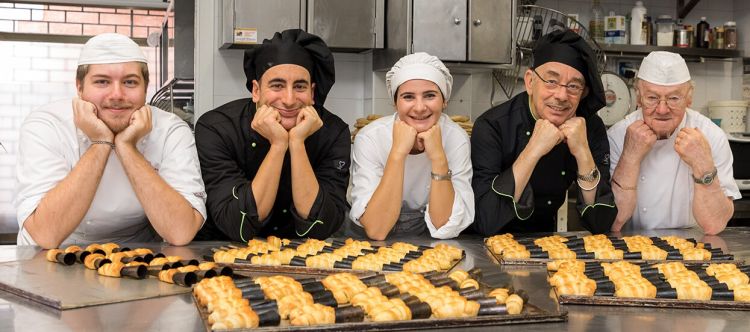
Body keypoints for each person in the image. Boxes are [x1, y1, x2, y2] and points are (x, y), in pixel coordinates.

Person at [14, 33, 206, 248]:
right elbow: (46, 234)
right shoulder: (47, 126)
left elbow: (180, 231)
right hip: (53, 251)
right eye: (102, 82)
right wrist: (101, 143)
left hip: (136, 254)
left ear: (145, 88)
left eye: (130, 82)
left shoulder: (171, 130)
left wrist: (126, 147)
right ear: (79, 87)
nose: (117, 94)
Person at [195, 29, 350, 242]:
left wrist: (296, 143)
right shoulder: (217, 128)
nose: (288, 99)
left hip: (302, 255)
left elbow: (320, 226)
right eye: (277, 85)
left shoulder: (333, 133)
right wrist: (278, 145)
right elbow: (237, 225)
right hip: (222, 253)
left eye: (299, 86)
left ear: (312, 93)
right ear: (256, 90)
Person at [471, 29, 617, 235]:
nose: (561, 95)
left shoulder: (589, 128)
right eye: (551, 81)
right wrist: (533, 150)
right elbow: (486, 220)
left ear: (583, 93)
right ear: (530, 81)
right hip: (486, 246)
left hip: (545, 243)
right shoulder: (492, 126)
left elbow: (601, 223)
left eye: (573, 86)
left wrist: (583, 153)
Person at [607, 51, 741, 234]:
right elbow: (613, 222)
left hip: (693, 248)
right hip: (632, 247)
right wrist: (630, 157)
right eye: (652, 98)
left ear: (689, 98)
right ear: (638, 97)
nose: (662, 110)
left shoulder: (711, 135)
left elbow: (714, 225)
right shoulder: (618, 135)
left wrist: (702, 163)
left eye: (673, 98)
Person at [349, 52, 474, 240]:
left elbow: (444, 226)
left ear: (445, 100)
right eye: (408, 97)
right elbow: (376, 229)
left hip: (433, 244)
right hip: (370, 242)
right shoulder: (370, 138)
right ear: (395, 103)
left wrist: (438, 157)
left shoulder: (457, 139)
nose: (419, 107)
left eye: (430, 95)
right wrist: (398, 153)